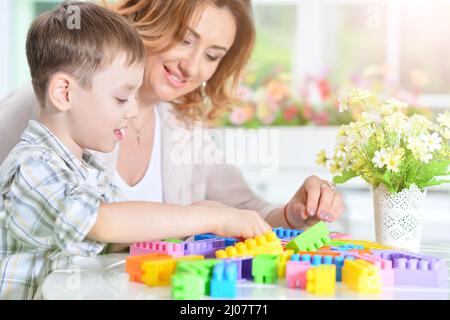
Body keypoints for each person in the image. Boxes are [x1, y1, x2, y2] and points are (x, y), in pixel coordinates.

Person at [0, 1, 273, 300]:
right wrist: (203, 216)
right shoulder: (33, 166)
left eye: (212, 55)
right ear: (64, 93)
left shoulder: (86, 167)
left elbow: (121, 236)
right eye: (121, 98)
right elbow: (102, 222)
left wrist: (204, 221)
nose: (132, 111)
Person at [0, 1, 344, 236]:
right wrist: (203, 216)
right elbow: (95, 223)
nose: (192, 67)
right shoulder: (55, 107)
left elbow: (242, 207)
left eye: (212, 55)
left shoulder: (182, 124)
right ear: (148, 18)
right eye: (184, 40)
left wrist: (291, 214)